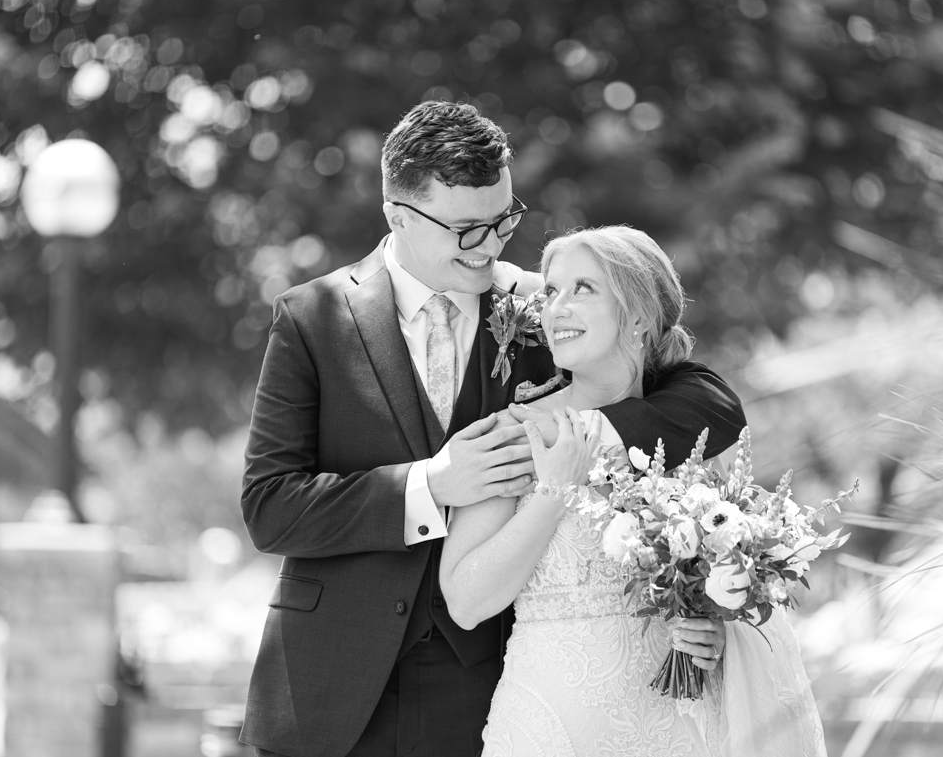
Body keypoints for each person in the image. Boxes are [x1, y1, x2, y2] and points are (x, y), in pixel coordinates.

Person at [239, 101, 747, 757]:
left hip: (484, 681)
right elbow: (270, 506)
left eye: (503, 219)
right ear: (398, 214)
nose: (491, 244)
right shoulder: (312, 317)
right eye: (466, 229)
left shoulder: (553, 307)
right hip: (328, 684)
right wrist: (433, 484)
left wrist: (558, 431)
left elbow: (710, 403)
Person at [441, 226, 828, 757]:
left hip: (683, 720)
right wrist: (556, 490)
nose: (557, 308)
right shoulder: (511, 434)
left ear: (641, 316)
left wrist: (710, 628)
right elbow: (464, 601)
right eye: (552, 292)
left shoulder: (683, 434)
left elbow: (709, 573)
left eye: (584, 289)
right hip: (556, 719)